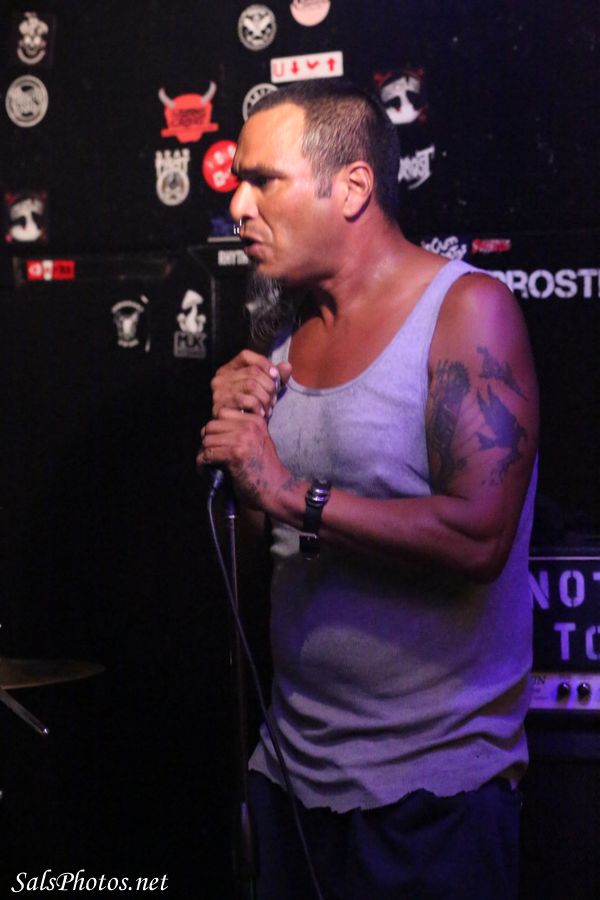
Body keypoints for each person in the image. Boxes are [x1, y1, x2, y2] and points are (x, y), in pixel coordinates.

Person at [197, 80, 538, 900]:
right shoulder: (283, 339)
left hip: (432, 794)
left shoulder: (467, 311)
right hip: (291, 775)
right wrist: (242, 454)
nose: (238, 206)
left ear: (351, 187)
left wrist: (290, 493)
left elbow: (479, 538)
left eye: (263, 180)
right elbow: (264, 560)